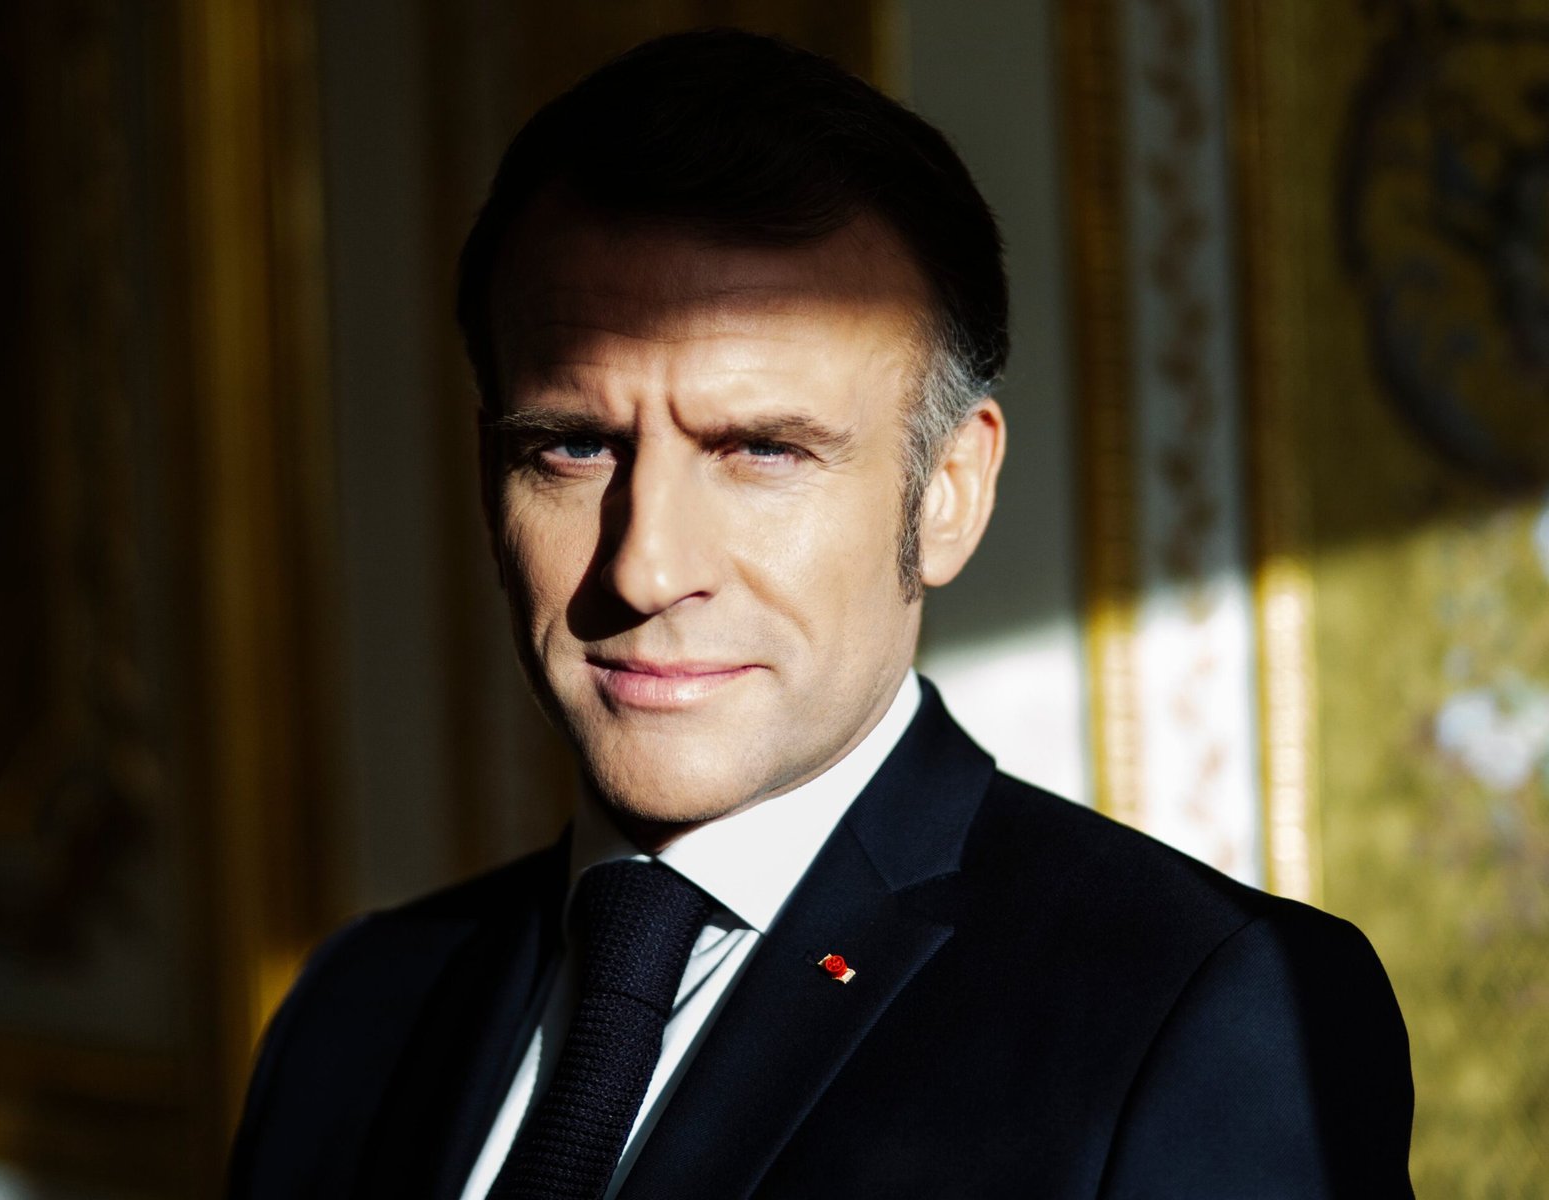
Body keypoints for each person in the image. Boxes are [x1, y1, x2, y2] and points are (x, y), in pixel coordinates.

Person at [228, 29, 1413, 1200]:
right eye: (575, 446)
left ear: (946, 494)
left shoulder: (1196, 1011)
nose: (646, 569)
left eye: (761, 450)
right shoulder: (353, 1013)